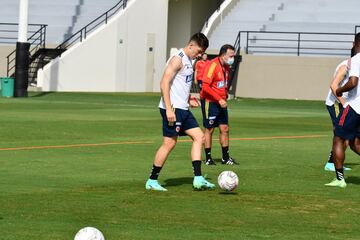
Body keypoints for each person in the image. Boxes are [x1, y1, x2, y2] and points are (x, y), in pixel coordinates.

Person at [145, 33, 215, 191]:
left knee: (199, 137)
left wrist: (188, 98)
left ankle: (198, 178)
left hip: (183, 108)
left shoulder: (190, 60)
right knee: (169, 143)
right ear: (191, 45)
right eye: (198, 51)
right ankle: (152, 180)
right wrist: (169, 109)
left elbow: (181, 83)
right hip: (173, 109)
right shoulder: (178, 58)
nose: (199, 55)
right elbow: (164, 82)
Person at [326, 33, 360, 188]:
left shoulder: (355, 60)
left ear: (355, 43)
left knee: (338, 138)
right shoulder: (347, 63)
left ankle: (339, 179)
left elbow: (352, 82)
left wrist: (340, 91)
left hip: (353, 107)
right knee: (355, 143)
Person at [200, 44, 239, 165]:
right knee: (209, 129)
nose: (233, 57)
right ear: (223, 55)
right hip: (210, 102)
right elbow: (205, 87)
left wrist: (225, 95)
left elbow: (222, 84)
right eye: (231, 55)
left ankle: (225, 158)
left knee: (225, 129)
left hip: (221, 102)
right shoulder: (212, 65)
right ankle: (208, 158)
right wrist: (218, 98)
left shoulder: (226, 67)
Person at [324, 55, 353, 172]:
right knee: (342, 134)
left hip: (346, 104)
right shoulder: (346, 66)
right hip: (336, 103)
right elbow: (333, 86)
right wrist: (344, 103)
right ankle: (331, 163)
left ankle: (336, 161)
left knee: (345, 134)